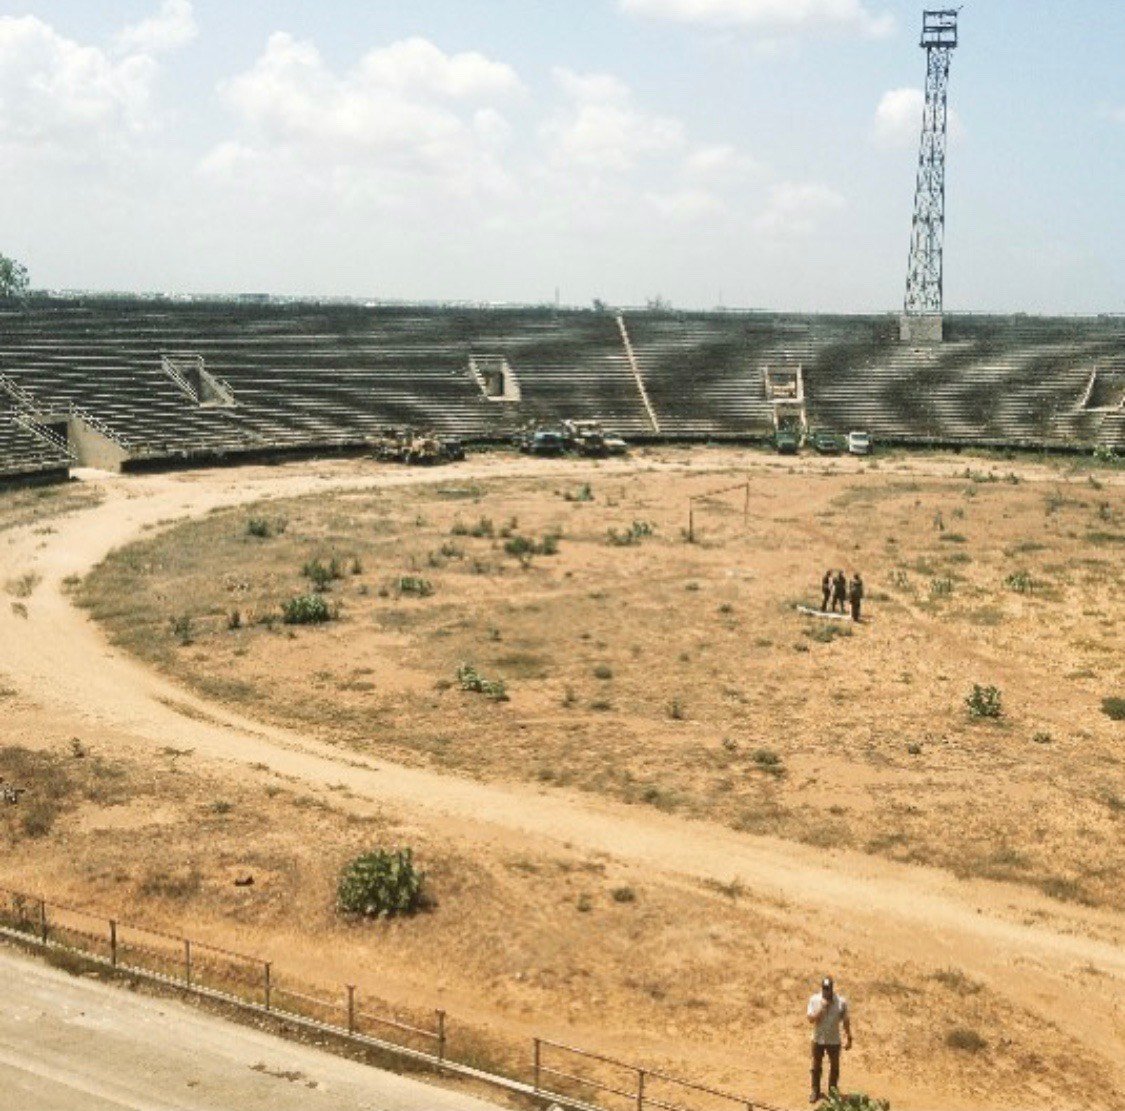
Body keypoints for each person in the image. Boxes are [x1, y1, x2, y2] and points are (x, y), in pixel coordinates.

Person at [807, 976, 852, 1103]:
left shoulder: (841, 1002)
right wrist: (822, 1008)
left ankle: (832, 1091)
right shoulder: (814, 1000)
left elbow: (846, 1021)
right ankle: (815, 1090)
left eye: (829, 989)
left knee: (834, 1067)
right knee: (816, 1066)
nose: (827, 992)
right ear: (822, 988)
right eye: (825, 989)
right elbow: (810, 1019)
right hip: (818, 1039)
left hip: (834, 1040)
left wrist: (849, 1037)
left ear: (832, 988)